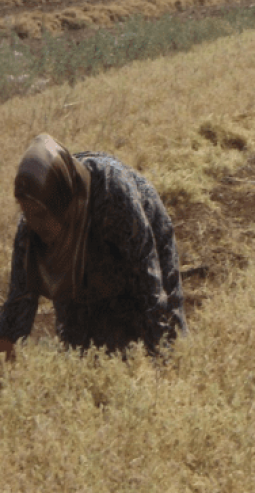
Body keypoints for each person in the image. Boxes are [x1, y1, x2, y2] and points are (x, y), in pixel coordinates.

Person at [0, 134, 186, 360]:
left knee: (163, 335)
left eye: (40, 214)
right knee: (79, 349)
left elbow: (150, 288)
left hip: (139, 240)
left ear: (60, 202)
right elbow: (19, 302)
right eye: (26, 212)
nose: (34, 223)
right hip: (80, 260)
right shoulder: (30, 227)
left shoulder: (113, 193)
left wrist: (163, 362)